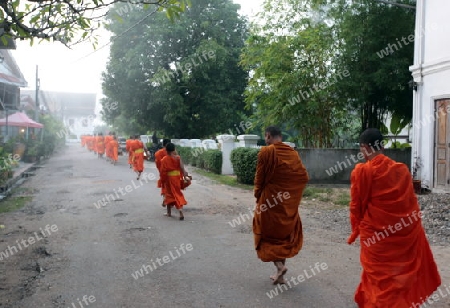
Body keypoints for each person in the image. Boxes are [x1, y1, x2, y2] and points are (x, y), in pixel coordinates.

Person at [348, 128, 441, 308]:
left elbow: (356, 207)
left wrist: (356, 229)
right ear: (382, 146)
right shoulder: (401, 170)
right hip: (403, 234)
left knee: (378, 278)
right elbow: (410, 204)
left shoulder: (361, 172)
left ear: (364, 147)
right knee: (398, 277)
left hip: (375, 236)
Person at [253, 126, 309, 285]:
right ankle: (281, 275)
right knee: (283, 237)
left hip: (269, 203)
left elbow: (259, 177)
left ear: (268, 136)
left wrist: (258, 194)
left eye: (265, 137)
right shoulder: (293, 153)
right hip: (288, 204)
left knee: (265, 235)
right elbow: (303, 177)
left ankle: (279, 266)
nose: (265, 140)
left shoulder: (266, 152)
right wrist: (293, 197)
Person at [160, 143, 190, 220]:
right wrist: (184, 176)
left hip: (169, 179)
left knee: (169, 194)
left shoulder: (164, 159)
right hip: (176, 178)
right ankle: (179, 211)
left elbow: (162, 172)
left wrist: (162, 181)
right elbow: (182, 168)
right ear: (174, 150)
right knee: (177, 193)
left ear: (166, 150)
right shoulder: (178, 158)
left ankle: (169, 212)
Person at [155, 139, 171, 206]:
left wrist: (160, 170)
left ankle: (165, 198)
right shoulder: (172, 153)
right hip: (172, 173)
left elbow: (157, 163)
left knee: (164, 186)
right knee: (171, 187)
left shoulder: (157, 153)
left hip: (162, 172)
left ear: (162, 144)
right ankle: (170, 200)